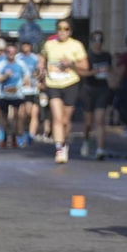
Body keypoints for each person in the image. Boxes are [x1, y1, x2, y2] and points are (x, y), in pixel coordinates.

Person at [42, 20, 90, 164]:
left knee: (64, 120)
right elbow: (42, 57)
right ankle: (58, 148)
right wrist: (41, 67)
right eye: (60, 28)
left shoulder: (76, 45)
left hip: (70, 83)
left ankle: (64, 142)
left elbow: (85, 66)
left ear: (70, 31)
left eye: (66, 29)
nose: (62, 31)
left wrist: (71, 63)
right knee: (56, 118)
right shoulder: (49, 44)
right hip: (53, 84)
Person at [81, 31, 113, 159]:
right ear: (91, 42)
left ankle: (100, 150)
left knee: (99, 120)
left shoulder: (106, 55)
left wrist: (108, 72)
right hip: (89, 89)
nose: (97, 43)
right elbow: (82, 71)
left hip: (102, 88)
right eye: (94, 40)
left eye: (100, 40)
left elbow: (111, 69)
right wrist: (91, 72)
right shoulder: (87, 56)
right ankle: (86, 141)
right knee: (88, 122)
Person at [0, 42, 27, 147]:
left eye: (12, 52)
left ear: (16, 53)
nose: (10, 54)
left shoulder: (20, 64)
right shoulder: (1, 64)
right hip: (4, 94)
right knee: (4, 117)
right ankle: (5, 137)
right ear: (6, 53)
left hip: (17, 95)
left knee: (16, 116)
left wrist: (23, 83)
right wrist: (4, 76)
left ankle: (14, 137)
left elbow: (27, 77)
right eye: (8, 52)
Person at [17, 39, 42, 144]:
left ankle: (31, 134)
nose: (25, 47)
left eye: (28, 45)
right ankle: (21, 133)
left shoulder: (35, 58)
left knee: (32, 112)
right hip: (21, 90)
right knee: (21, 113)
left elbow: (40, 71)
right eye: (24, 45)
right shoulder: (18, 58)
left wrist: (38, 76)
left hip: (33, 90)